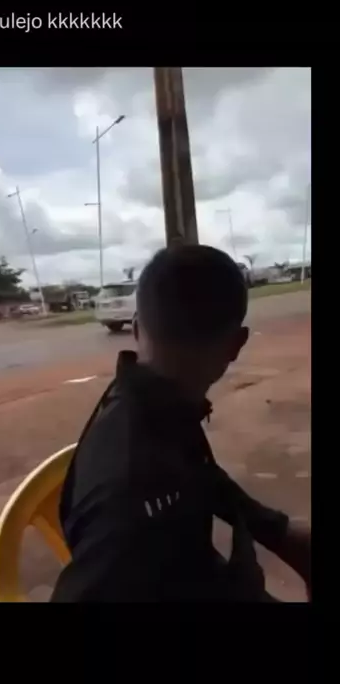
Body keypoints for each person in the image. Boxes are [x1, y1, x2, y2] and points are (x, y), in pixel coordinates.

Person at [51, 244, 311, 602]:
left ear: (137, 329)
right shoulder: (132, 485)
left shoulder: (157, 406)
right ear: (236, 345)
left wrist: (280, 532)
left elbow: (201, 474)